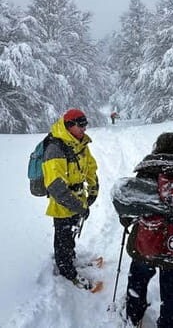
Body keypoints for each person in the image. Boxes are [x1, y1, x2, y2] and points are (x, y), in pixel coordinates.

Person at [121, 132, 173, 328]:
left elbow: (132, 205)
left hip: (146, 242)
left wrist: (126, 220)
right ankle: (169, 322)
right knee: (172, 290)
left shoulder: (147, 171)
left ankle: (133, 316)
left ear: (157, 148)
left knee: (138, 280)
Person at [43, 108, 99, 290]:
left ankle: (70, 259)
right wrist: (79, 206)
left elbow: (90, 167)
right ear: (69, 125)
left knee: (71, 235)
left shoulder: (80, 143)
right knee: (63, 239)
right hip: (62, 204)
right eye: (81, 125)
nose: (84, 128)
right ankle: (67, 273)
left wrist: (93, 189)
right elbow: (56, 187)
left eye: (85, 124)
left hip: (77, 199)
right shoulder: (55, 148)